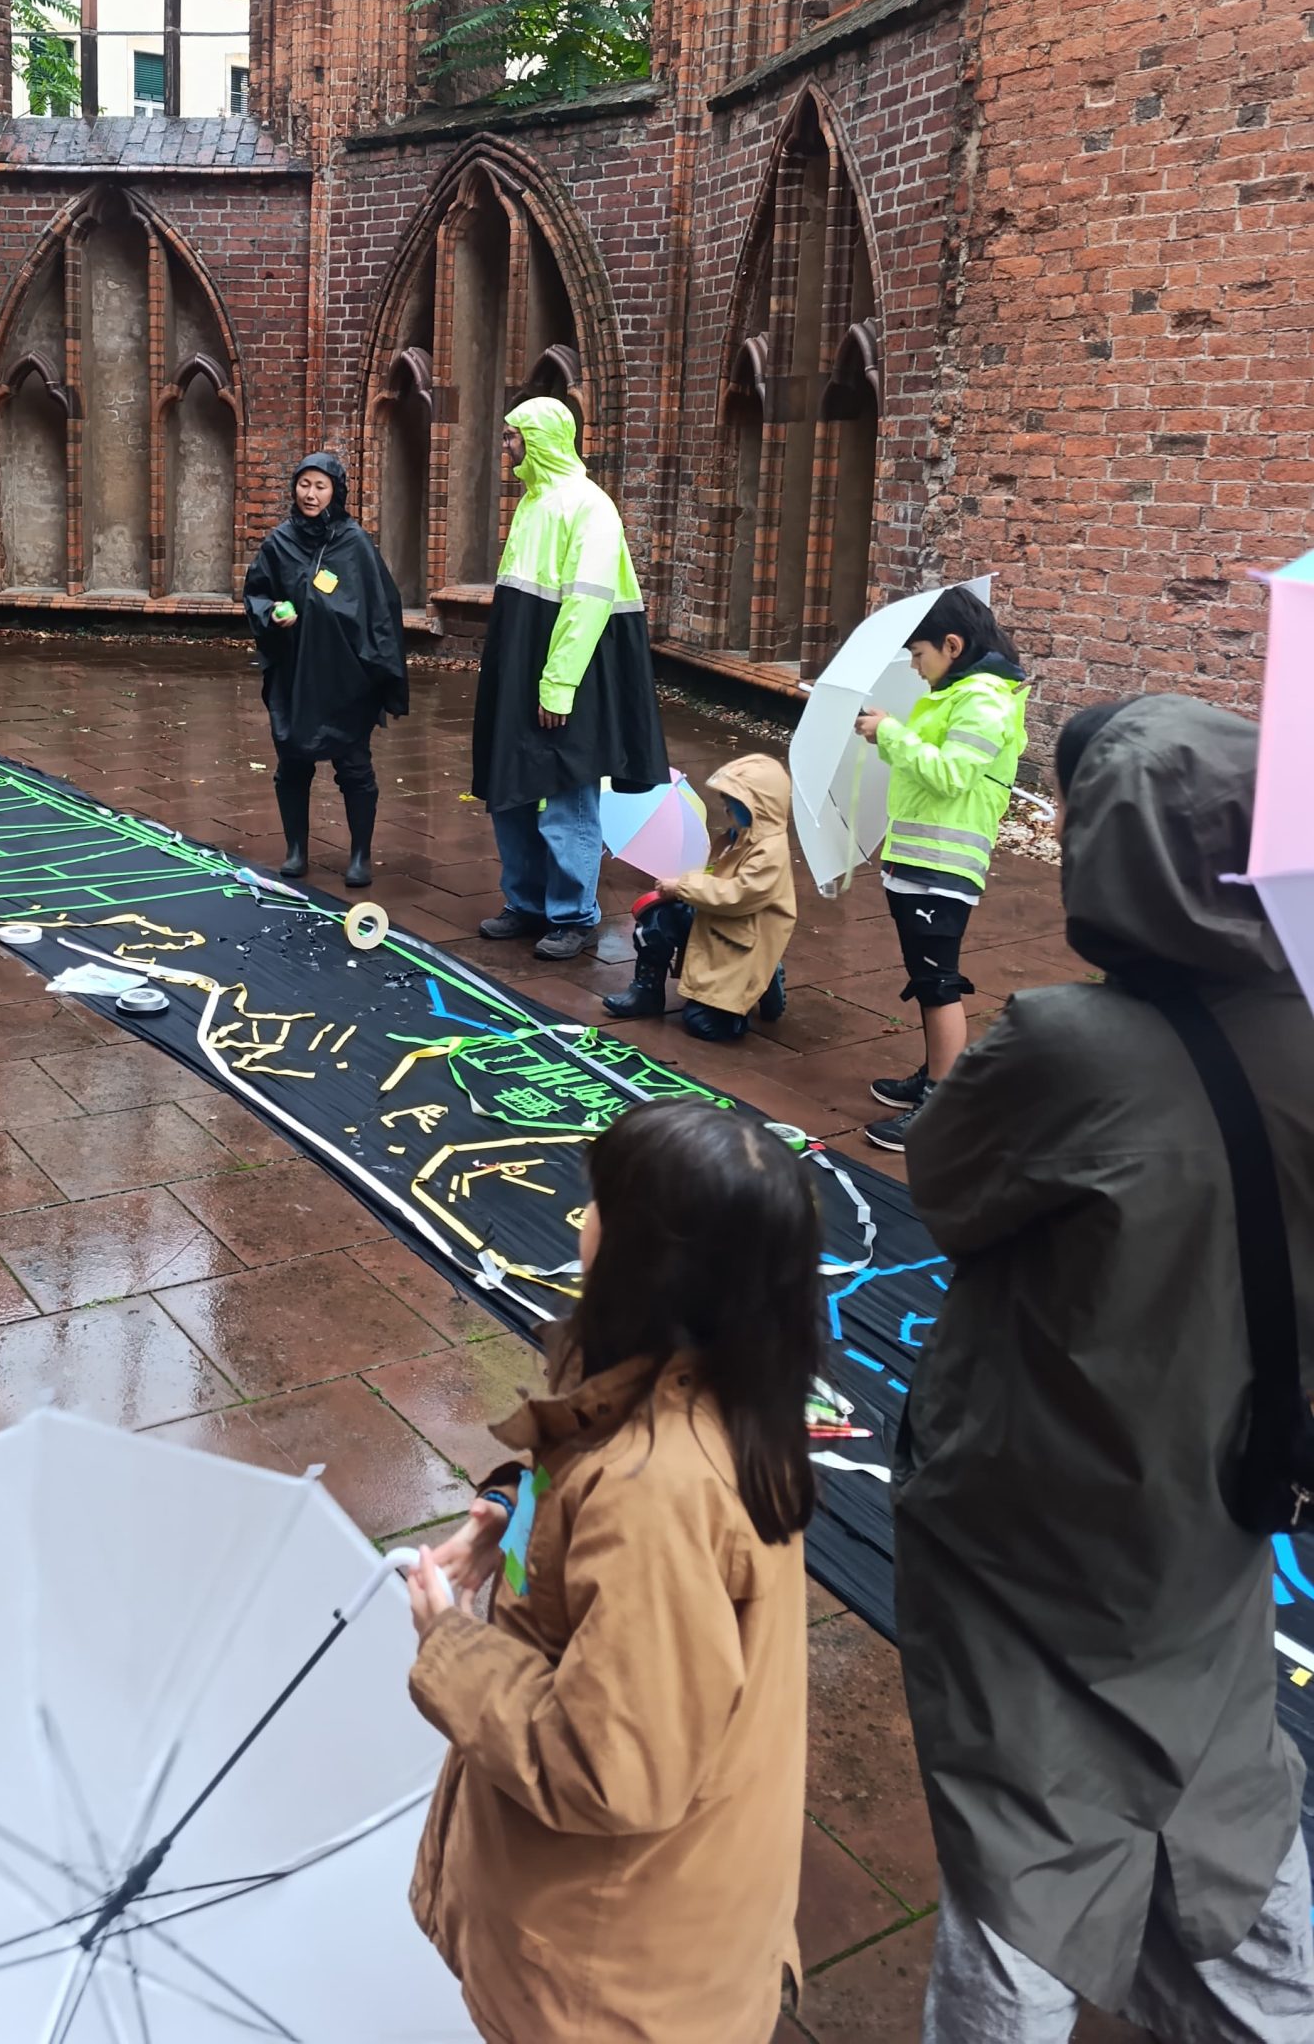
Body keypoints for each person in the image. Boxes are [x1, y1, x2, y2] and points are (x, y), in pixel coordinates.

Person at [893, 694, 1314, 2042]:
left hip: (1038, 1496)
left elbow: (949, 1188)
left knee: (1021, 1830)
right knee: (1217, 1783)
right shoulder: (1307, 1032)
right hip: (1222, 1486)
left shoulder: (1063, 1045)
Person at [404, 1099, 819, 2044]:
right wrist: (509, 1522)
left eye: (598, 1208)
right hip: (660, 1923)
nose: (578, 1222)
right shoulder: (724, 1384)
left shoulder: (657, 1494)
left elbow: (609, 1764)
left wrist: (450, 1647)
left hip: (609, 1977)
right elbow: (583, 1514)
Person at [471, 397, 667, 961]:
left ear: (540, 439)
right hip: (519, 669)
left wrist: (558, 684)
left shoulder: (590, 506)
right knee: (510, 785)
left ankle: (573, 914)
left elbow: (587, 603)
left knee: (565, 791)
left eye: (512, 437)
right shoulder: (534, 502)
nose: (506, 446)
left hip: (567, 673)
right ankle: (526, 902)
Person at [854, 585, 1028, 1151]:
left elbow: (952, 774)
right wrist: (888, 737)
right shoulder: (960, 691)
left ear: (953, 645)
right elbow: (926, 767)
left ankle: (943, 1104)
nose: (914, 665)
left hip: (944, 862)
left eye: (919, 654)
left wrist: (893, 733)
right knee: (925, 975)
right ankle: (933, 1076)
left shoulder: (983, 699)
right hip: (919, 855)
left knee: (938, 982)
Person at [243, 451, 408, 889]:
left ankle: (360, 854)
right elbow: (256, 593)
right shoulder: (278, 542)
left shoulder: (354, 544)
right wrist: (272, 611)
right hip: (295, 673)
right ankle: (296, 849)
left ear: (336, 491)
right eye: (304, 484)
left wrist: (379, 669)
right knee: (292, 762)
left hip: (344, 676)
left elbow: (380, 608)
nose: (310, 494)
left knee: (353, 765)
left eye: (320, 486)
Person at [601, 754, 795, 1039]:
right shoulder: (735, 837)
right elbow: (716, 878)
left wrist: (683, 887)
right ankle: (646, 991)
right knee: (656, 919)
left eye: (736, 803)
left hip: (741, 935)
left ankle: (761, 982)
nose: (728, 808)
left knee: (706, 1025)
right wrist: (682, 886)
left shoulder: (770, 852)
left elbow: (738, 895)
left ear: (760, 807)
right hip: (715, 918)